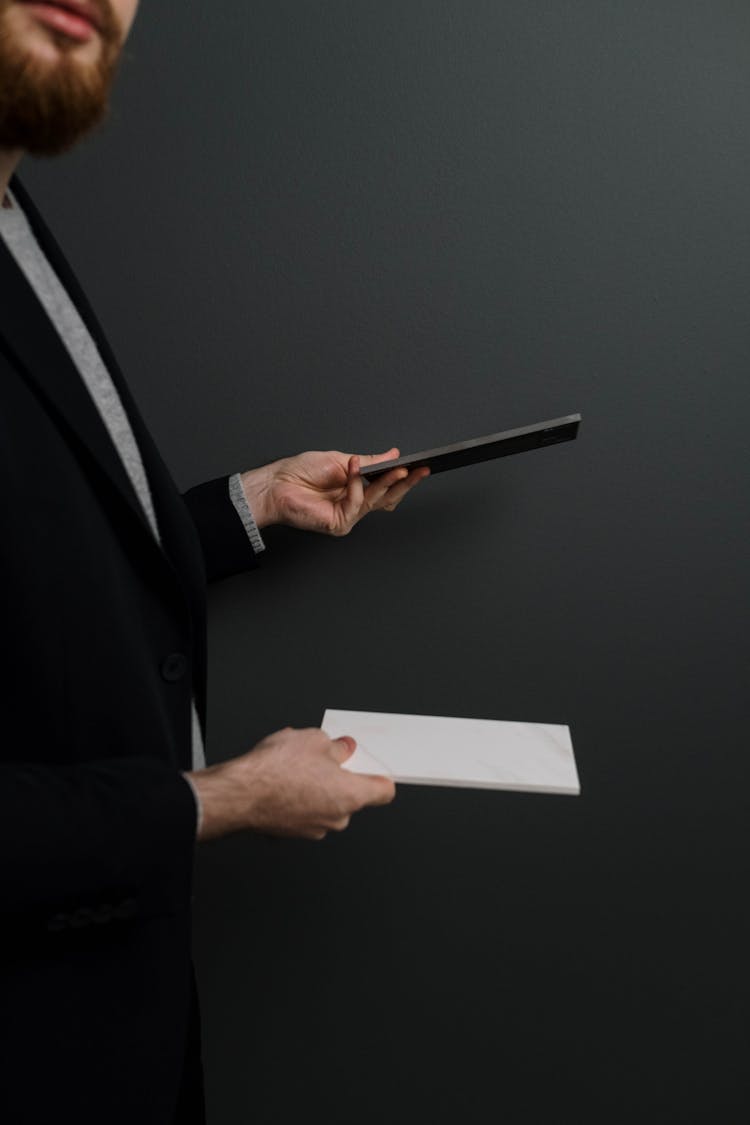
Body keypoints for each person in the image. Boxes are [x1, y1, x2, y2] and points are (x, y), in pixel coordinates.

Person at [0, 2, 429, 1121]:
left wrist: (246, 506)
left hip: (120, 1029)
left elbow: (41, 569)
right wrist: (219, 801)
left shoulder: (16, 218)